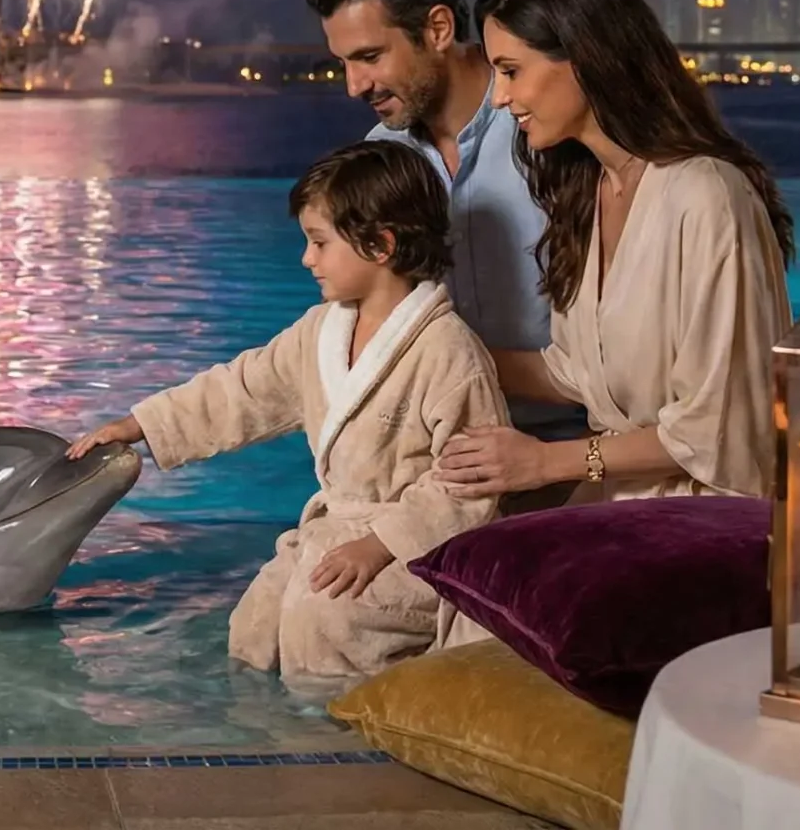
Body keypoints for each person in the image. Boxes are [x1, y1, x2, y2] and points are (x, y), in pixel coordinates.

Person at [67, 141, 510, 685]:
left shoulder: (448, 351)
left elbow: (470, 485)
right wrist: (141, 425)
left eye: (319, 242)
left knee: (325, 619)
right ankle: (272, 735)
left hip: (415, 549)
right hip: (337, 533)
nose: (306, 258)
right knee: (255, 621)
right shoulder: (321, 331)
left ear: (379, 244)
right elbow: (243, 390)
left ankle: (344, 737)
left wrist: (380, 545)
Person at [433, 0, 795, 505]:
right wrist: (428, 355)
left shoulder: (706, 196)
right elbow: (578, 372)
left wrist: (544, 462)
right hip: (610, 506)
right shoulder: (588, 194)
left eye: (511, 71)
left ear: (582, 56)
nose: (500, 98)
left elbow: (718, 426)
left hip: (708, 525)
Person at [304, 0, 583, 446]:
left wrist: (430, 366)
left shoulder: (552, 129)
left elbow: (622, 359)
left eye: (369, 57)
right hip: (434, 456)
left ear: (436, 29)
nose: (354, 86)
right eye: (342, 63)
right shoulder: (381, 154)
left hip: (573, 445)